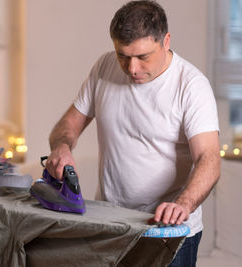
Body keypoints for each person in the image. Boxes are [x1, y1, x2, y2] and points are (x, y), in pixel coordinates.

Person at [45, 1, 220, 266]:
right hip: (112, 225)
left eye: (143, 57)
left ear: (166, 41)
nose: (132, 68)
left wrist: (182, 204)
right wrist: (61, 148)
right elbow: (68, 125)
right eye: (123, 56)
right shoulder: (104, 67)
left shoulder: (192, 86)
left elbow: (209, 158)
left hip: (168, 231)